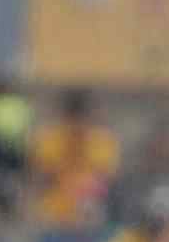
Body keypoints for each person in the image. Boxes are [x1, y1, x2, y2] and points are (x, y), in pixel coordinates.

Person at [32, 93, 121, 233]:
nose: (78, 126)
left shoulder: (101, 141)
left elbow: (107, 179)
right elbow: (40, 177)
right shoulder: (50, 139)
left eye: (82, 119)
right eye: (73, 120)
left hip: (91, 211)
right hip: (54, 212)